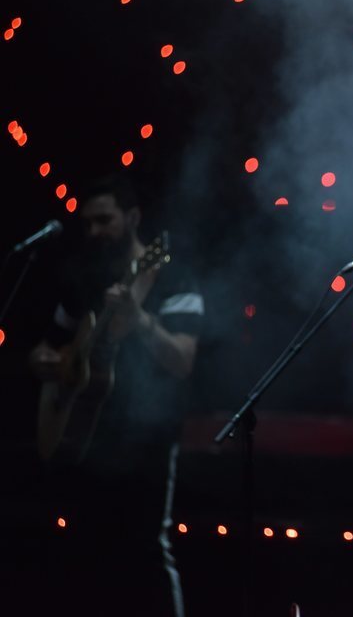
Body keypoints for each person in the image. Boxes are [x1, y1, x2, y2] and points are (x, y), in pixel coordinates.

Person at [29, 174, 203, 617]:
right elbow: (49, 346)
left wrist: (140, 320)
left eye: (104, 220)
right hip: (86, 437)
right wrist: (50, 362)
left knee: (147, 551)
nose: (94, 232)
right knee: (82, 553)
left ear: (133, 218)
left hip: (148, 437)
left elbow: (182, 360)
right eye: (87, 224)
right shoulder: (83, 276)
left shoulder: (175, 273)